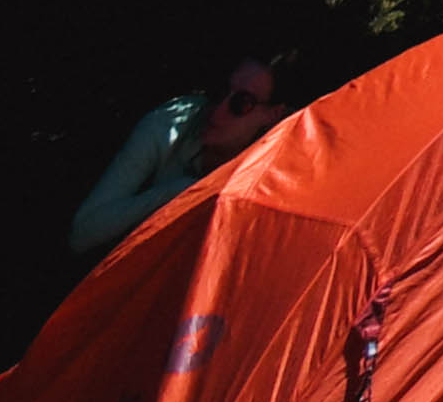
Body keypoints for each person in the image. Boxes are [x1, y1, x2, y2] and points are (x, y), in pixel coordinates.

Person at [69, 54, 285, 256]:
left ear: (272, 114)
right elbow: (83, 233)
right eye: (220, 91)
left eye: (241, 103)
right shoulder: (169, 123)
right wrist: (175, 194)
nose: (218, 110)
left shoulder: (276, 175)